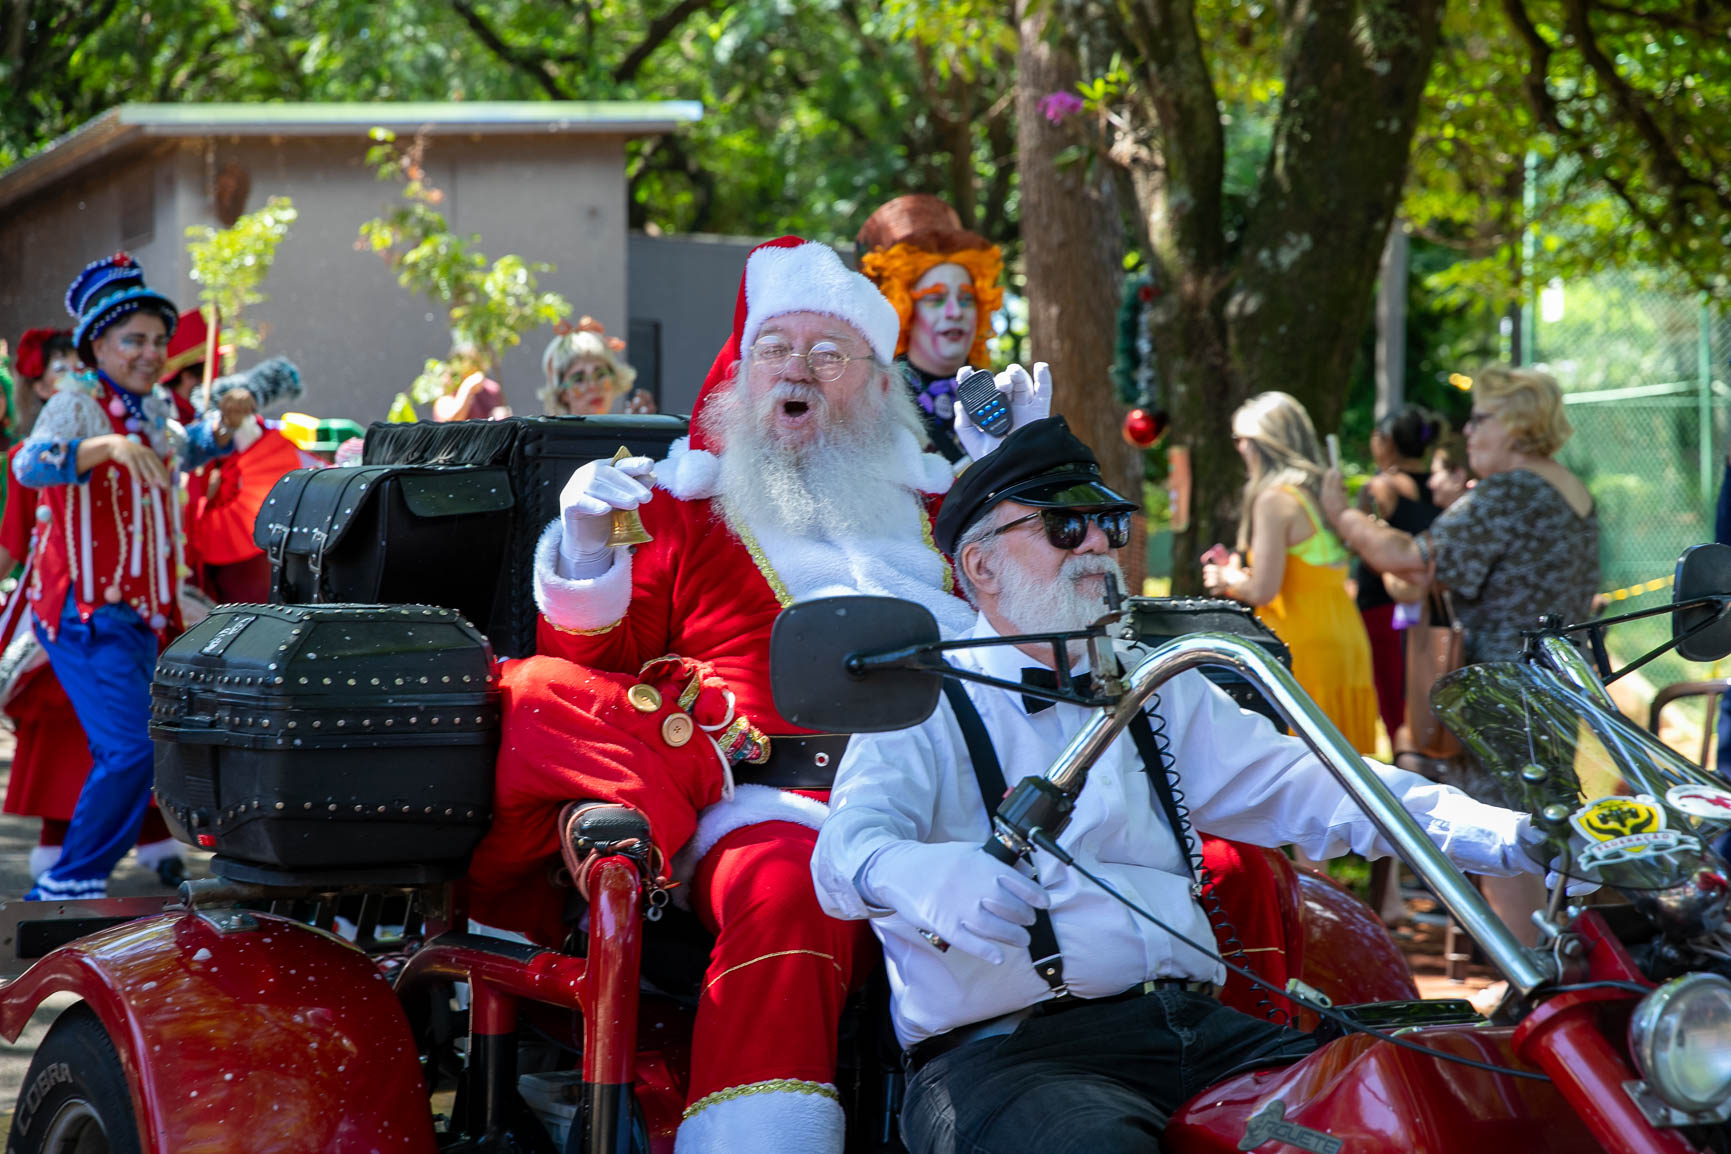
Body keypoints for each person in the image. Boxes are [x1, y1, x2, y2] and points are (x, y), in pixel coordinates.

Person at [811, 417, 1553, 1154]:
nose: (1098, 543)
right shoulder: (925, 699)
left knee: (1394, 1107)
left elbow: (1317, 784)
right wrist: (920, 873)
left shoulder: (1154, 681)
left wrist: (1508, 834)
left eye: (1106, 522)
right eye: (1064, 528)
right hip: (1011, 1059)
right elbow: (844, 852)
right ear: (979, 566)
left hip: (1194, 1030)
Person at [464, 236, 1046, 1151]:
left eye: (828, 354)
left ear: (876, 383)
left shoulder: (941, 508)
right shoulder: (679, 504)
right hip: (774, 802)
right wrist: (581, 552)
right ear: (742, 371)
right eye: (777, 348)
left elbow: (1041, 638)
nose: (798, 371)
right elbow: (595, 651)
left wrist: (1017, 478)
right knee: (789, 890)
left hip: (961, 791)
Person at [1321, 365, 1598, 943]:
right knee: (1541, 828)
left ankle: (1530, 981)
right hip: (1552, 686)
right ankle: (1548, 966)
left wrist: (1341, 516)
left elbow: (1413, 557)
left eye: (1481, 418)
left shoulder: (1512, 489)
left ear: (1519, 425)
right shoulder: (1570, 489)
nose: (1467, 432)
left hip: (1504, 690)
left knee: (1506, 836)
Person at [14, 253, 256, 901]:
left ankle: (77, 877)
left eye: (157, 341)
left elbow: (190, 447)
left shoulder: (150, 410)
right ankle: (67, 881)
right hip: (83, 612)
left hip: (141, 616)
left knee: (148, 748)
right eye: (134, 340)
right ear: (98, 344)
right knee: (130, 751)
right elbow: (30, 466)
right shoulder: (77, 403)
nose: (150, 353)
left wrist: (229, 418)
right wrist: (105, 449)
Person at [1201, 392, 1378, 754]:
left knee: (1307, 773)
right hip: (1346, 638)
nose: (1238, 449)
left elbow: (1264, 590)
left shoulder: (1274, 499)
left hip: (1301, 645)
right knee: (1353, 775)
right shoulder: (1322, 491)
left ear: (1261, 443)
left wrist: (1226, 579)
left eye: (1240, 439)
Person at [857, 194, 1005, 464]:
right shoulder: (876, 400)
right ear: (905, 311)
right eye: (935, 299)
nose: (955, 311)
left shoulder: (1002, 393)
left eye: (966, 299)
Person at [1354, 407, 1443, 742]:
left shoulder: (1379, 489)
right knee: (1427, 699)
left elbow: (1359, 543)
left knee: (1395, 706)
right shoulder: (1441, 485)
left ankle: (1408, 771)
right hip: (1432, 608)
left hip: (1383, 608)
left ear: (1387, 442)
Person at [539, 316, 656, 415]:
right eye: (579, 379)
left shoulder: (625, 434)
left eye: (600, 374)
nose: (593, 386)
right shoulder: (551, 441)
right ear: (563, 393)